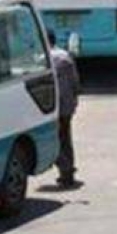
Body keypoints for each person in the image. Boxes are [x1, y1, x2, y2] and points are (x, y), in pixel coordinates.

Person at [49, 35, 81, 188]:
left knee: (55, 139)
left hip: (51, 106)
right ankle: (68, 171)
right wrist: (75, 98)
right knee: (66, 138)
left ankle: (65, 169)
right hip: (67, 105)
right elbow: (75, 81)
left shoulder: (43, 58)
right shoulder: (65, 56)